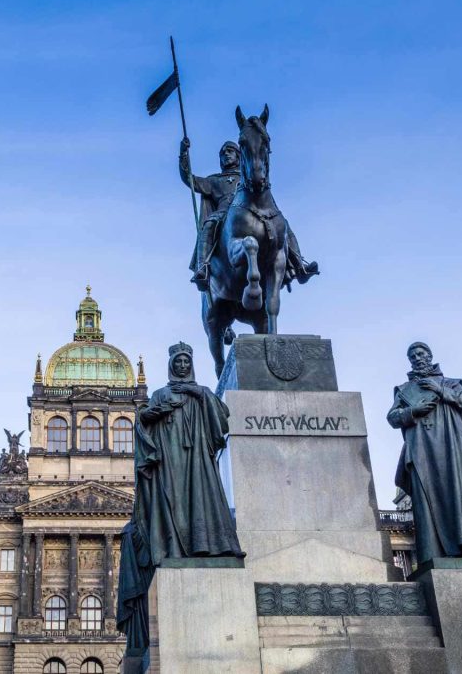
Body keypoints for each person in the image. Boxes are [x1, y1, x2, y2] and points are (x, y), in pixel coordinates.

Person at [117, 342, 243, 658]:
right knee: (172, 506)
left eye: (187, 360)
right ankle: (175, 544)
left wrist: (203, 395)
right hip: (171, 467)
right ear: (173, 365)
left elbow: (221, 425)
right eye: (179, 361)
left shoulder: (201, 393)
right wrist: (147, 415)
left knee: (201, 504)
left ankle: (204, 544)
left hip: (197, 464)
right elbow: (142, 423)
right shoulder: (160, 395)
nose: (183, 365)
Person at [387, 342, 462, 564]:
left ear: (429, 356)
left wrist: (440, 390)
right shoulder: (403, 390)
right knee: (426, 496)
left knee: (461, 491)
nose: (417, 358)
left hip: (452, 446)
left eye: (421, 353)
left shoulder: (452, 383)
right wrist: (412, 411)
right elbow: (392, 418)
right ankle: (434, 551)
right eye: (412, 355)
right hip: (422, 449)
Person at [180, 137, 318, 291]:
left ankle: (300, 266)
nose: (226, 154)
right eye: (223, 153)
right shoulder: (213, 180)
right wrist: (183, 153)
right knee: (209, 225)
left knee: (282, 223)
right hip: (224, 213)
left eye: (230, 151)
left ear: (239, 156)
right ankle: (203, 268)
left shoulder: (247, 177)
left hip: (253, 212)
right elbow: (189, 179)